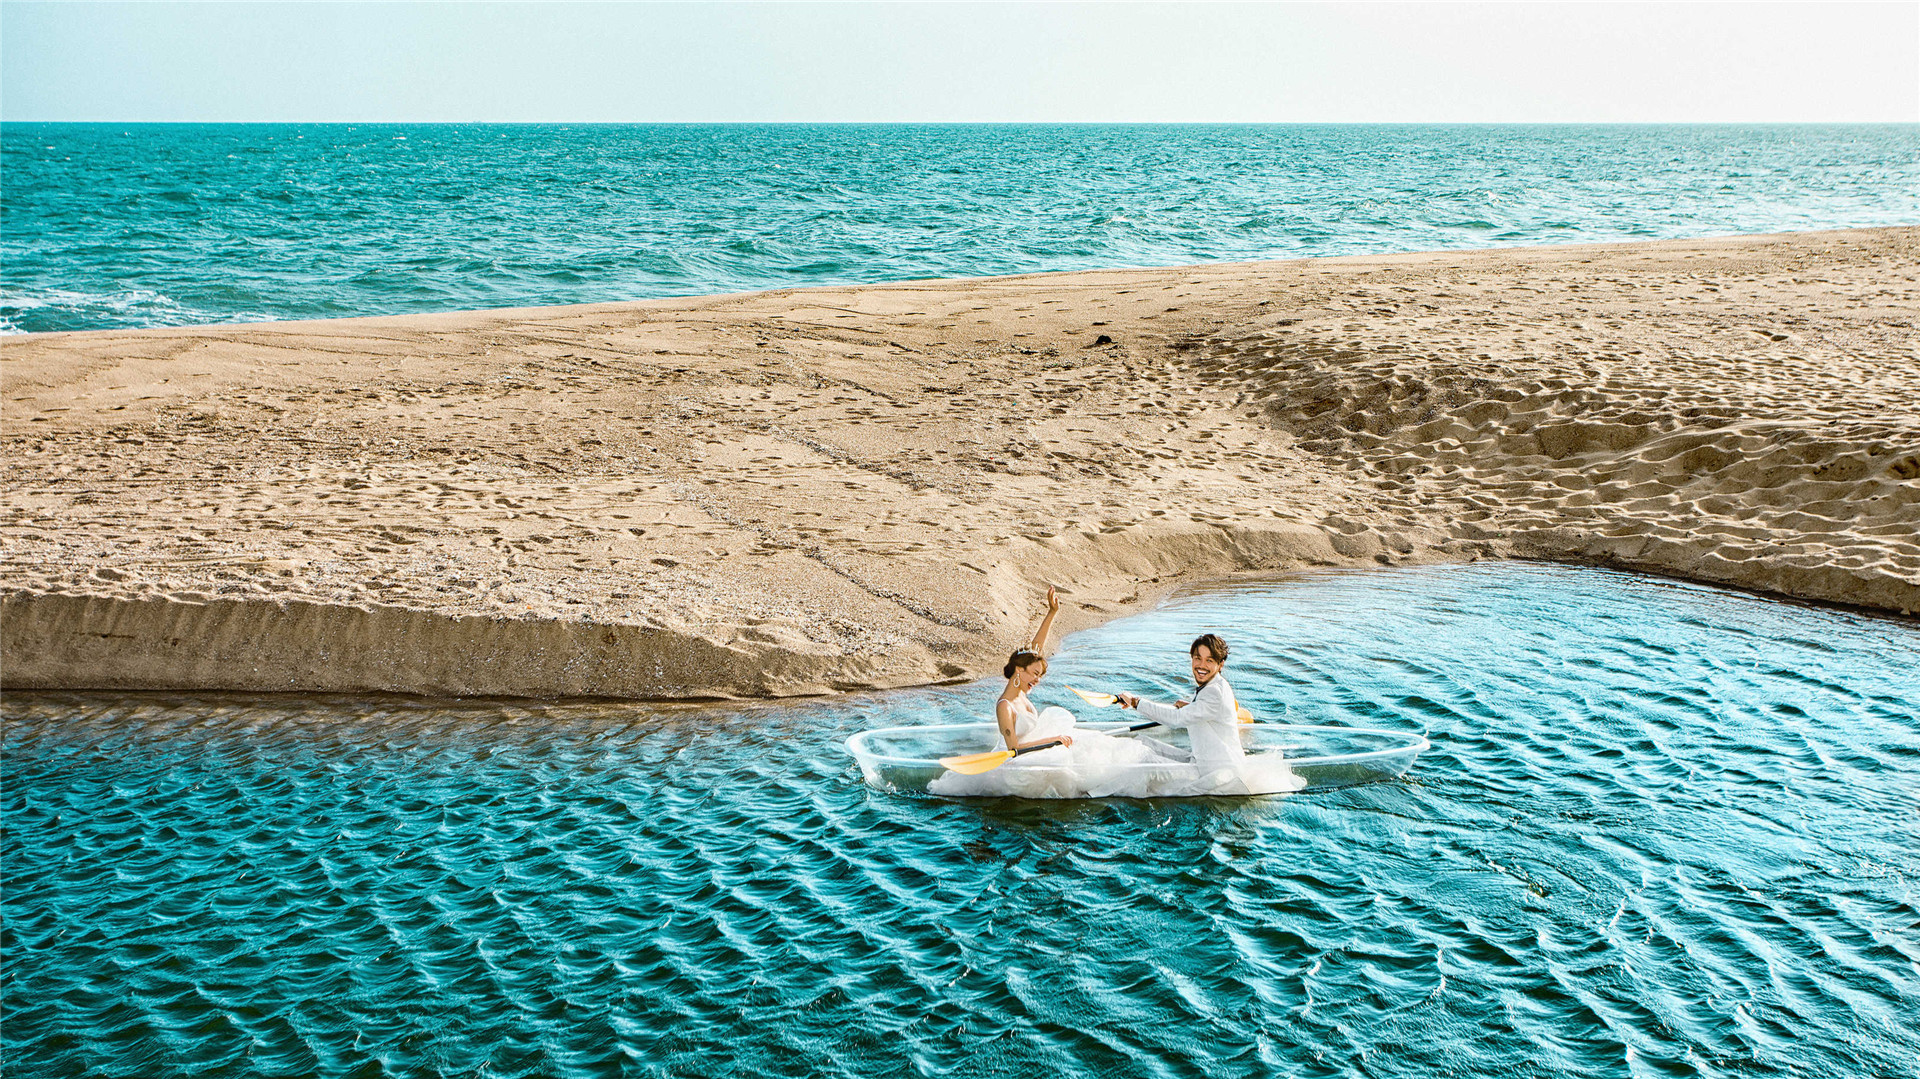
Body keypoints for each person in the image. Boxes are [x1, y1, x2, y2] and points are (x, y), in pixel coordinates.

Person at [928, 586, 1170, 798]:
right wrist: (1053, 741)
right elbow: (1014, 750)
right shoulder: (1005, 706)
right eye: (1034, 674)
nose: (1037, 680)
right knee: (1073, 758)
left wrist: (1052, 613)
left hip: (1036, 751)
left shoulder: (1020, 691)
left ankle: (1144, 771)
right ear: (1019, 670)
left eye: (1040, 675)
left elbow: (1035, 650)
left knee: (1094, 743)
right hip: (1017, 767)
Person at [1115, 634, 1304, 796]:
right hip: (1201, 761)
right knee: (1143, 742)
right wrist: (1191, 706)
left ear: (1220, 665)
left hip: (1215, 775)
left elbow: (1176, 719)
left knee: (1146, 762)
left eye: (1209, 660)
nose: (1201, 665)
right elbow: (1204, 711)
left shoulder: (1214, 691)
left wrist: (1136, 703)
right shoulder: (1213, 685)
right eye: (1198, 658)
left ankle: (1105, 787)